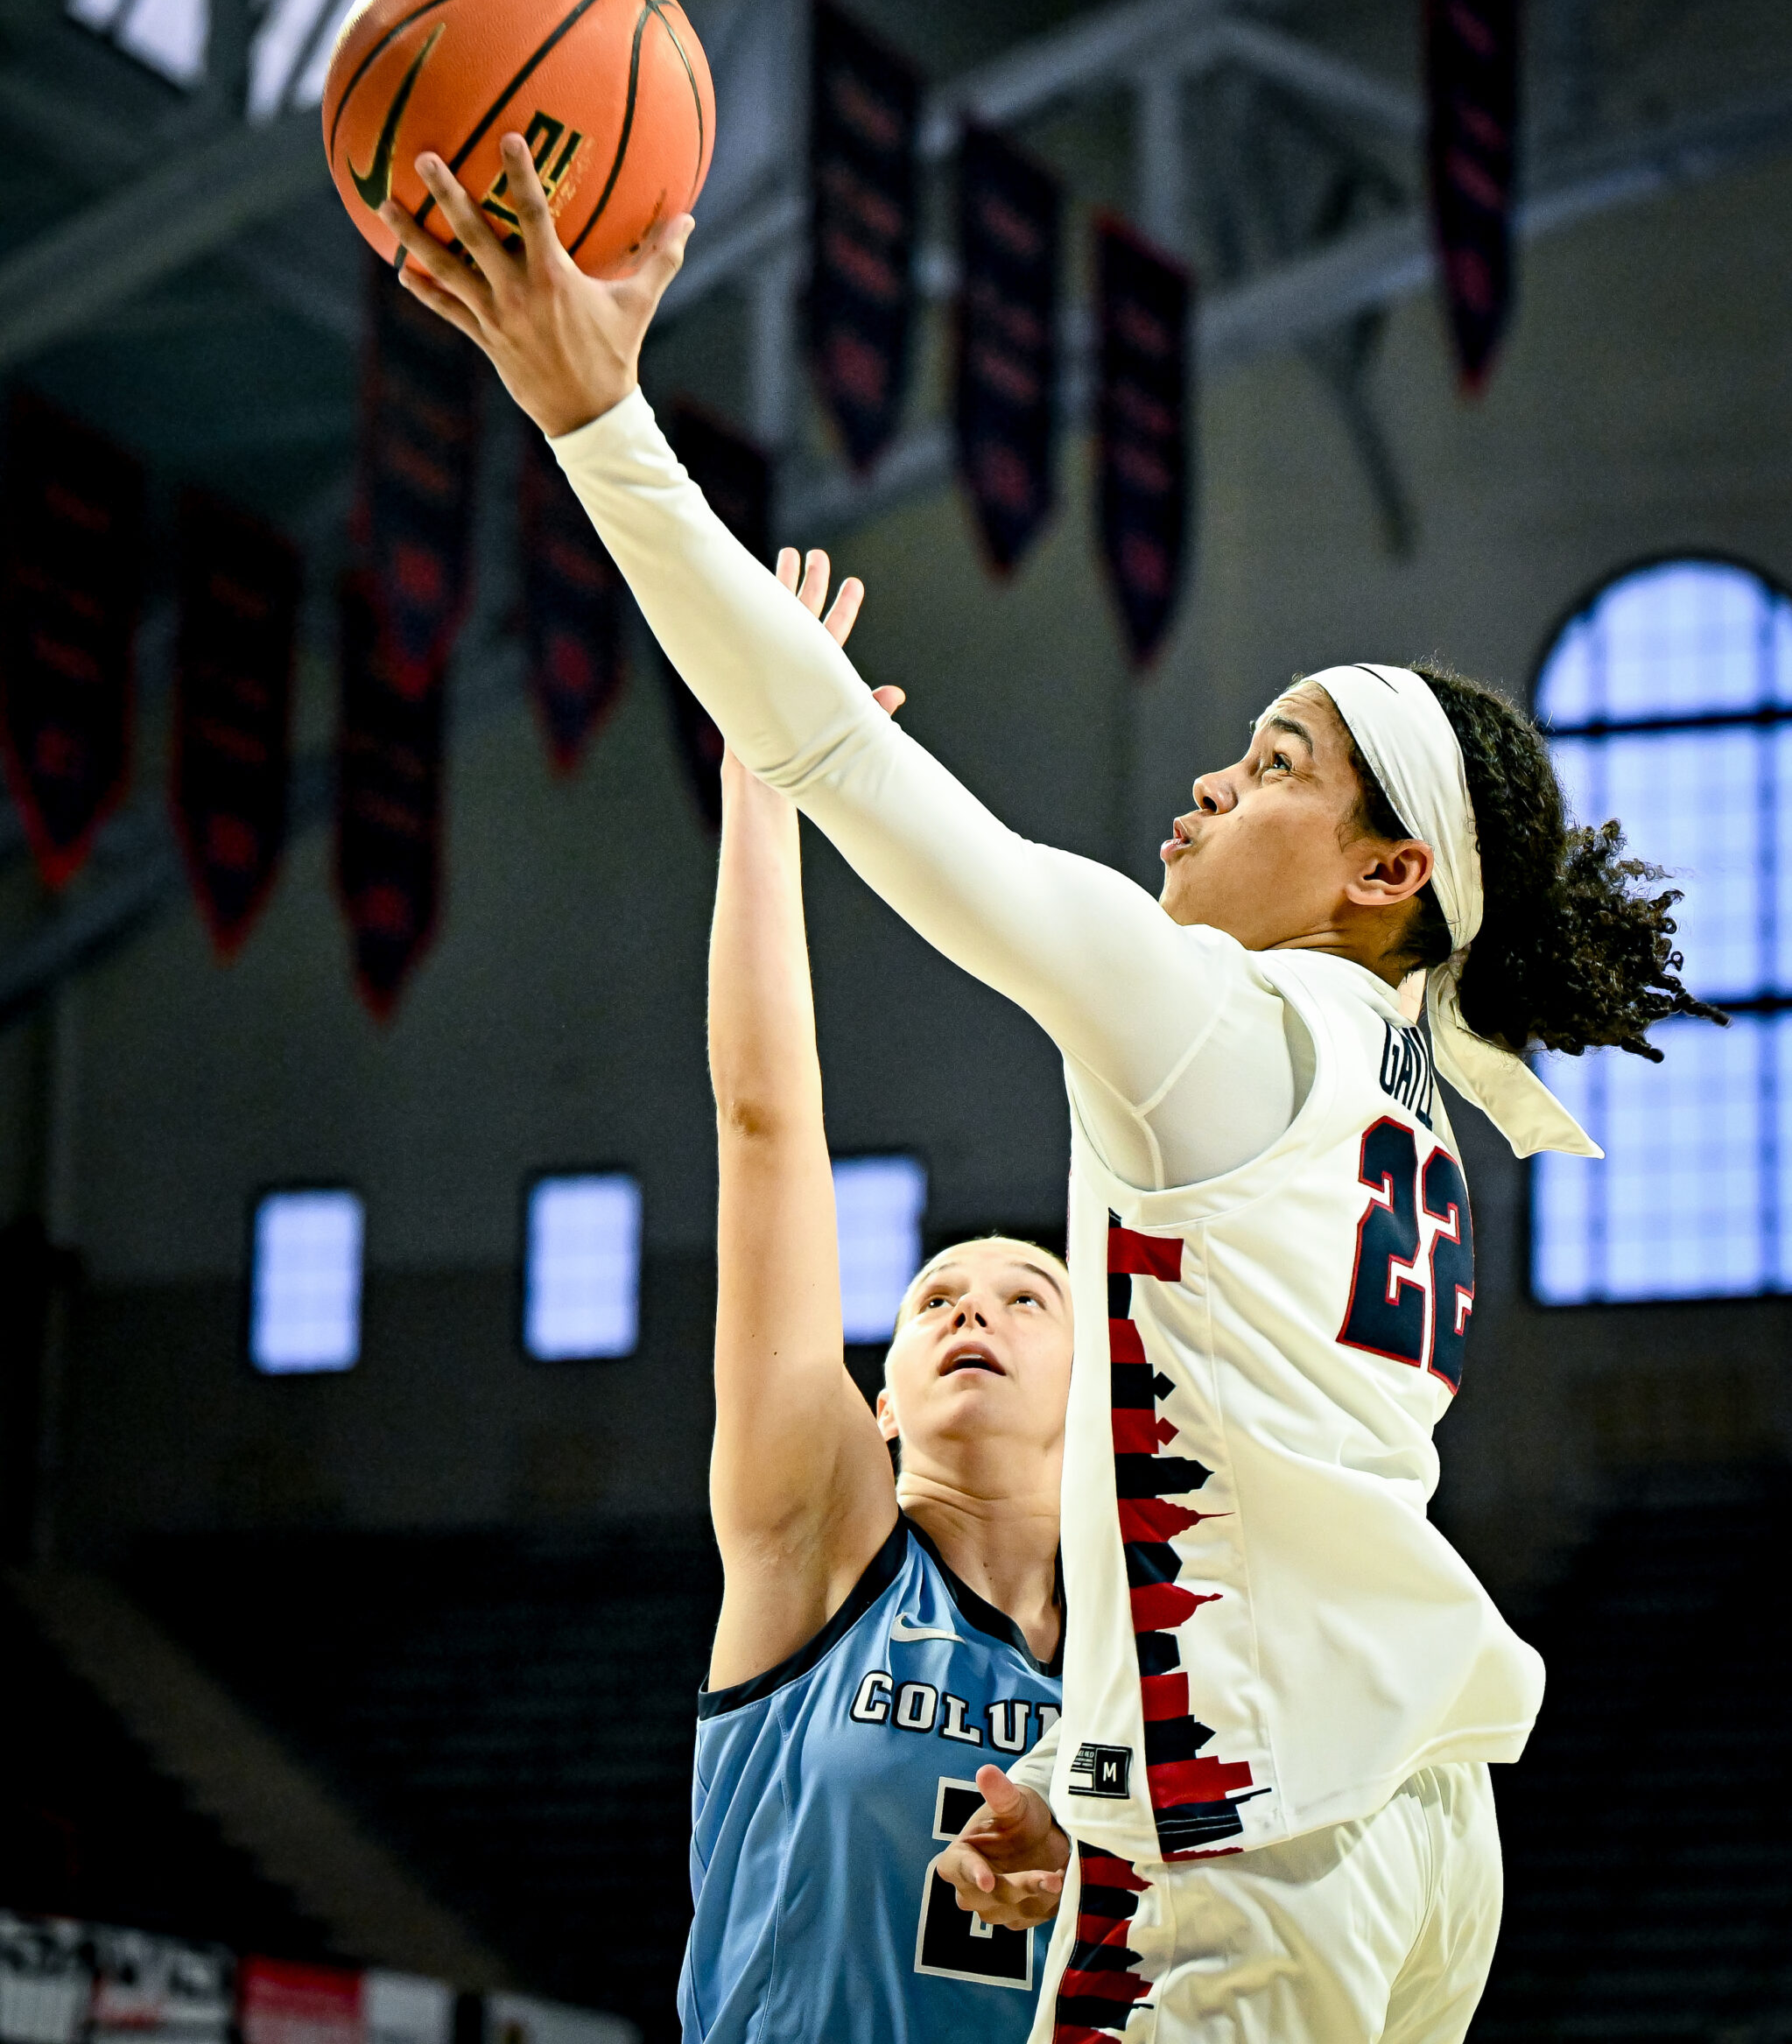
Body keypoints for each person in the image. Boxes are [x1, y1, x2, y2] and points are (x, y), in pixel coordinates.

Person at [379, 144, 1719, 2044]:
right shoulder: (1401, 1104)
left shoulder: (1224, 1025)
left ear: (1385, 874)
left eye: (1270, 764)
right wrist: (1091, 1782)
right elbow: (1246, 1515)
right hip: (1408, 1821)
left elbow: (841, 750)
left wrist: (597, 418)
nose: (1205, 783)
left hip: (1278, 1842)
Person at [682, 543, 1071, 2043]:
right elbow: (766, 1132)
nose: (972, 1310)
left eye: (1028, 1296)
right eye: (931, 1303)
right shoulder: (819, 1547)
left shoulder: (1148, 1654)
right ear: (881, 1398)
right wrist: (765, 786)